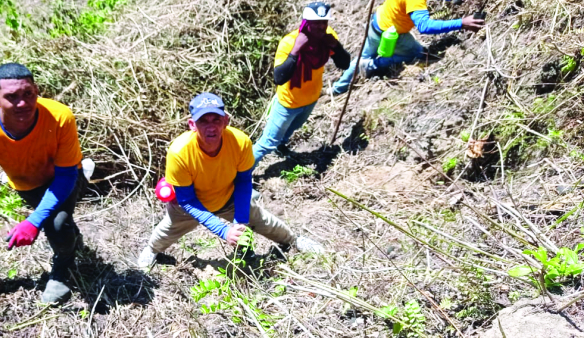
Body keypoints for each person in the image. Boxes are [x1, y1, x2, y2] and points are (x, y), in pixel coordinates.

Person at [137, 93, 324, 268]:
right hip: (191, 204)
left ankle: (293, 240)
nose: (211, 126)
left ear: (226, 120)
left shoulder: (240, 142)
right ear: (192, 125)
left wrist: (240, 221)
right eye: (203, 120)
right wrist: (223, 231)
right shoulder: (179, 152)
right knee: (168, 230)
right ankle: (152, 250)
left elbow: (243, 182)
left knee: (264, 221)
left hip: (228, 197)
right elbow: (186, 200)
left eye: (216, 119)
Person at [0, 63, 86, 304]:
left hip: (64, 177)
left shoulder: (59, 116)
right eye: (11, 97)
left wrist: (34, 221)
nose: (22, 103)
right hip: (27, 185)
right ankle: (70, 236)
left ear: (37, 90)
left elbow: (67, 176)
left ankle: (62, 271)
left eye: (28, 94)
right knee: (57, 223)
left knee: (56, 225)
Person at [253, 2, 351, 166]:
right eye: (316, 23)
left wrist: (336, 46)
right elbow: (279, 77)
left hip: (310, 99)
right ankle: (241, 176)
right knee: (266, 143)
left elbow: (344, 64)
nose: (321, 27)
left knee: (292, 128)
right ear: (306, 23)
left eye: (324, 22)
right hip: (288, 104)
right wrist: (295, 51)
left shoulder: (327, 37)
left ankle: (281, 147)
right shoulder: (289, 42)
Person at [330, 0, 485, 94]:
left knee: (361, 57)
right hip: (392, 35)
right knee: (419, 54)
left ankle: (337, 89)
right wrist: (461, 23)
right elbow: (425, 26)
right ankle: (372, 65)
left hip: (377, 22)